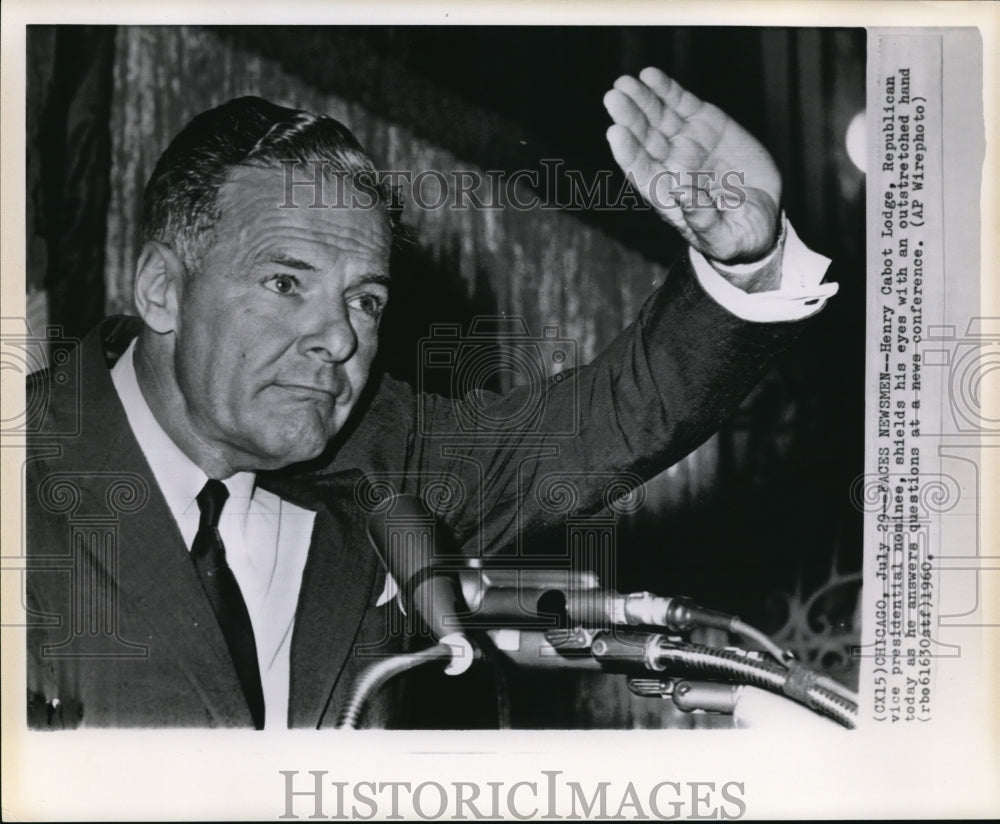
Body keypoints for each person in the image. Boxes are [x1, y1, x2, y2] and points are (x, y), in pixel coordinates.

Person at [26, 68, 836, 729]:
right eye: (285, 282)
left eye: (366, 301)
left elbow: (607, 424)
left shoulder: (376, 451)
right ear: (163, 288)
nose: (339, 339)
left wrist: (746, 261)